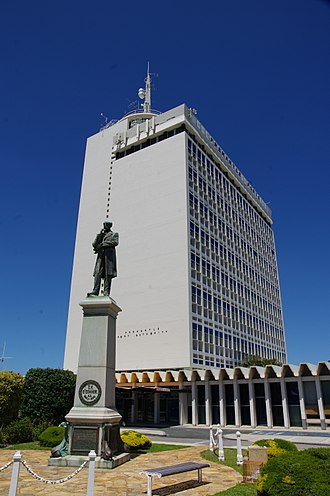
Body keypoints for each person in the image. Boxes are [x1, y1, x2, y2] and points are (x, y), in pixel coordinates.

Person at [87, 220, 119, 297]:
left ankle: (106, 292)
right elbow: (94, 244)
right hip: (101, 257)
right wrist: (100, 235)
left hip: (109, 257)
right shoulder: (101, 235)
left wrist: (103, 244)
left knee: (108, 274)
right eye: (104, 225)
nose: (104, 226)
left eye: (106, 225)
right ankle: (95, 291)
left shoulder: (114, 234)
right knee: (98, 273)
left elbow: (115, 242)